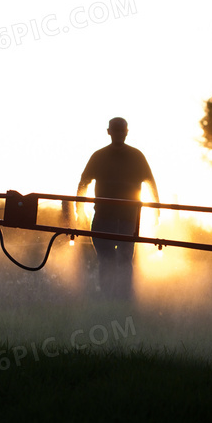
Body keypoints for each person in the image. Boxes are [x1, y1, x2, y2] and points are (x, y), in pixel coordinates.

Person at [74, 117, 159, 300]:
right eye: (116, 130)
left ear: (127, 132)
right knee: (106, 258)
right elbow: (84, 182)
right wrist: (79, 208)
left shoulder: (137, 156)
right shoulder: (99, 156)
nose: (120, 134)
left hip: (128, 217)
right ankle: (108, 295)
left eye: (122, 130)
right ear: (109, 132)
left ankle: (123, 295)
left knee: (124, 258)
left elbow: (150, 182)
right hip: (104, 215)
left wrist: (156, 210)